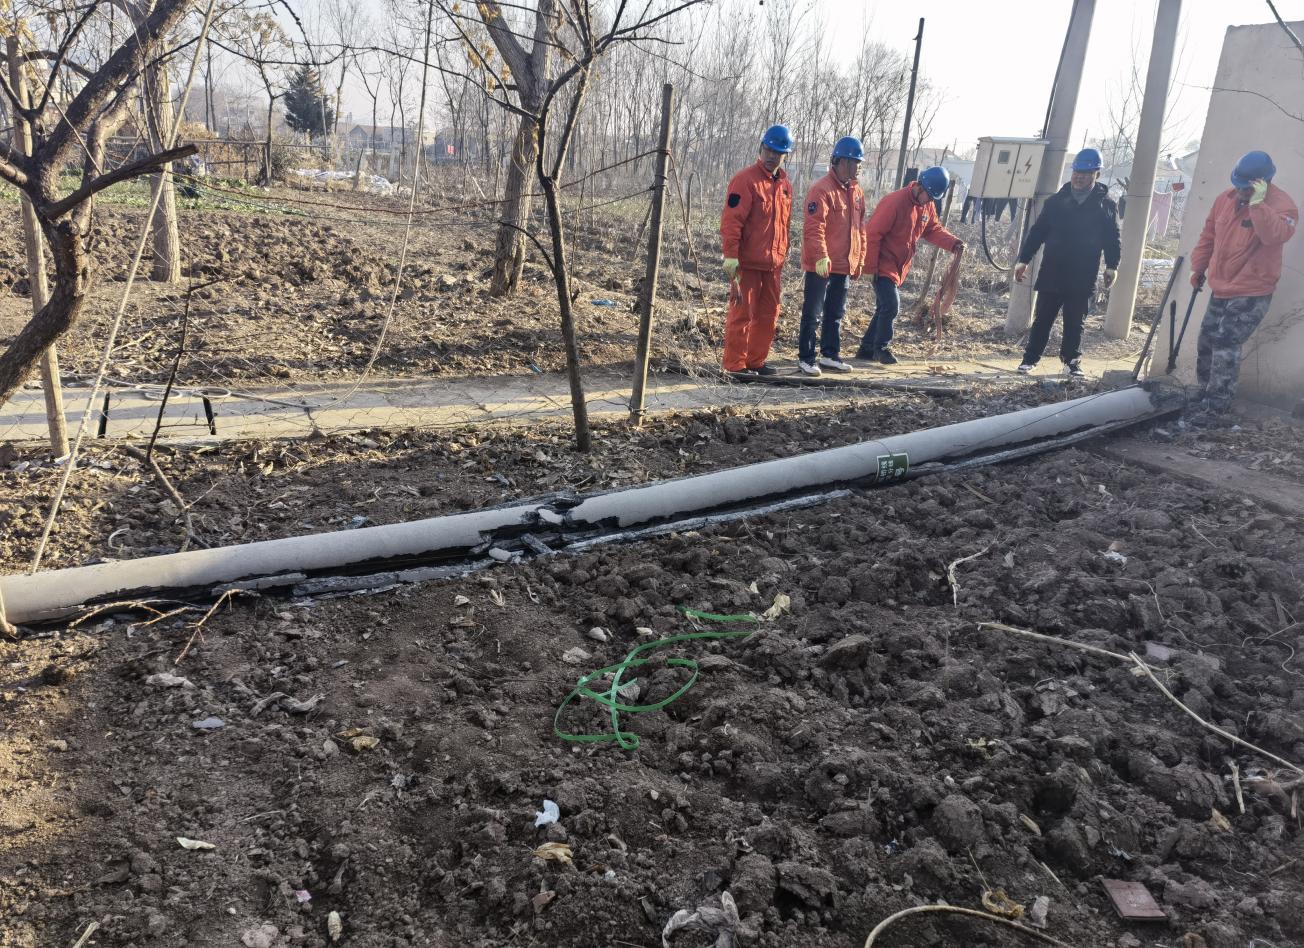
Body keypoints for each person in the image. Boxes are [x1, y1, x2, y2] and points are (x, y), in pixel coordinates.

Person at [1189, 150, 1297, 416]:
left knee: (1226, 342)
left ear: (1263, 183)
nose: (1240, 191)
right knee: (1207, 340)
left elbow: (1274, 236)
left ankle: (1217, 407)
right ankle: (1203, 393)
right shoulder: (1224, 200)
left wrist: (1257, 206)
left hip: (1253, 290)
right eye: (1237, 185)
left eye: (1246, 188)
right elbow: (1209, 235)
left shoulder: (1283, 206)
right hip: (1222, 285)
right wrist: (1198, 267)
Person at [1013, 148, 1121, 379]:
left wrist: (1112, 265)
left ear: (1096, 174)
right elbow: (1038, 232)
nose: (1079, 177)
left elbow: (1112, 239)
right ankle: (1030, 359)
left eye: (1085, 173)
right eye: (1076, 172)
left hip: (1083, 274)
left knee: (1075, 322)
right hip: (1053, 270)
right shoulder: (1056, 202)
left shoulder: (1106, 206)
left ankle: (1071, 362)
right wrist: (1023, 259)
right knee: (1043, 319)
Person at [855, 166, 963, 364]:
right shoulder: (894, 202)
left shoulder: (927, 206)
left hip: (899, 267)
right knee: (891, 305)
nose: (930, 201)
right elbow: (872, 234)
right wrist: (869, 267)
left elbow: (933, 229)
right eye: (929, 196)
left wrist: (953, 243)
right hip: (882, 263)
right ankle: (881, 348)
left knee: (884, 307)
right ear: (920, 187)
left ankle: (866, 349)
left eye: (933, 198)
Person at [720, 124, 795, 377]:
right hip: (747, 263)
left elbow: (784, 224)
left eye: (778, 152)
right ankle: (735, 365)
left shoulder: (785, 186)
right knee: (742, 314)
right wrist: (731, 255)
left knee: (768, 315)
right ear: (761, 148)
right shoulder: (745, 180)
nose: (772, 156)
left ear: (785, 155)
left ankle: (755, 362)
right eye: (768, 150)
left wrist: (783, 253)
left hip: (773, 265)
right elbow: (732, 221)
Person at [797, 136, 867, 376]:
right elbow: (813, 226)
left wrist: (859, 260)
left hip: (843, 265)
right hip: (821, 264)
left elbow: (860, 229)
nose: (858, 167)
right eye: (855, 162)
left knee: (835, 313)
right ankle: (806, 358)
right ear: (841, 162)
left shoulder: (856, 193)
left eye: (859, 163)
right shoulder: (822, 189)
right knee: (813, 313)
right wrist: (820, 256)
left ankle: (829, 354)